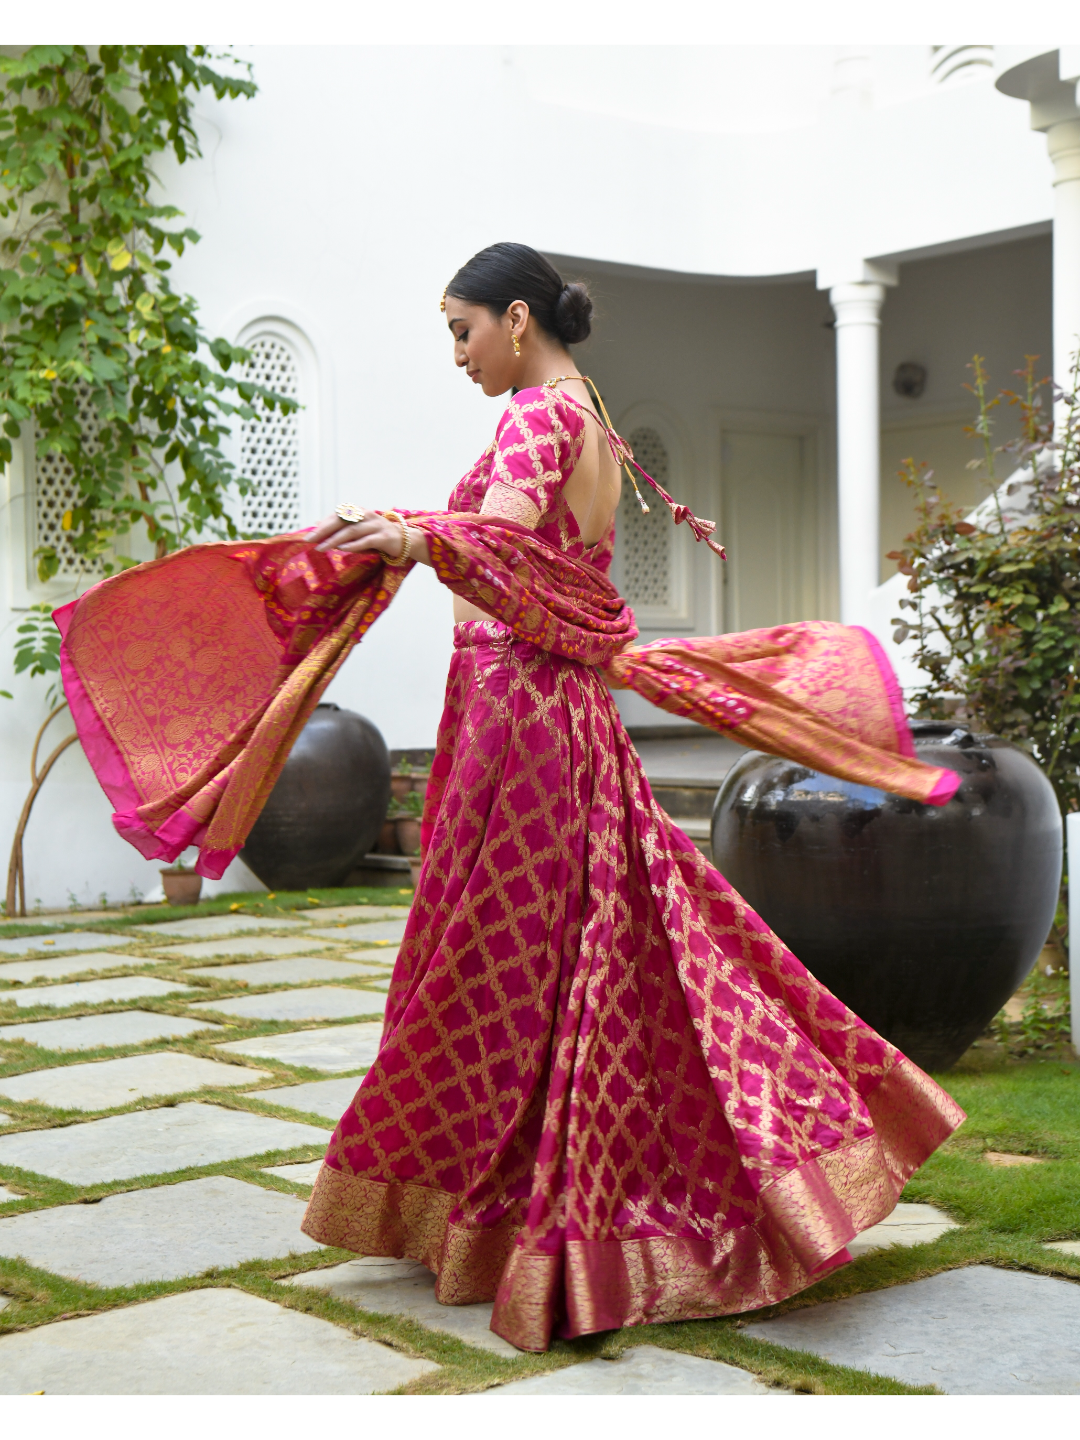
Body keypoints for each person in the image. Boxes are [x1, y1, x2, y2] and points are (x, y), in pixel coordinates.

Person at [292, 243, 964, 1351]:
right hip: (563, 715)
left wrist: (415, 536)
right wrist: (414, 531)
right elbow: (531, 555)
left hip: (519, 715)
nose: (457, 355)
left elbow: (504, 549)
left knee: (501, 962)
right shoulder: (590, 413)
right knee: (598, 953)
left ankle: (523, 1221)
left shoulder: (537, 416)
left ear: (516, 318)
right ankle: (593, 1199)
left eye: (462, 331)